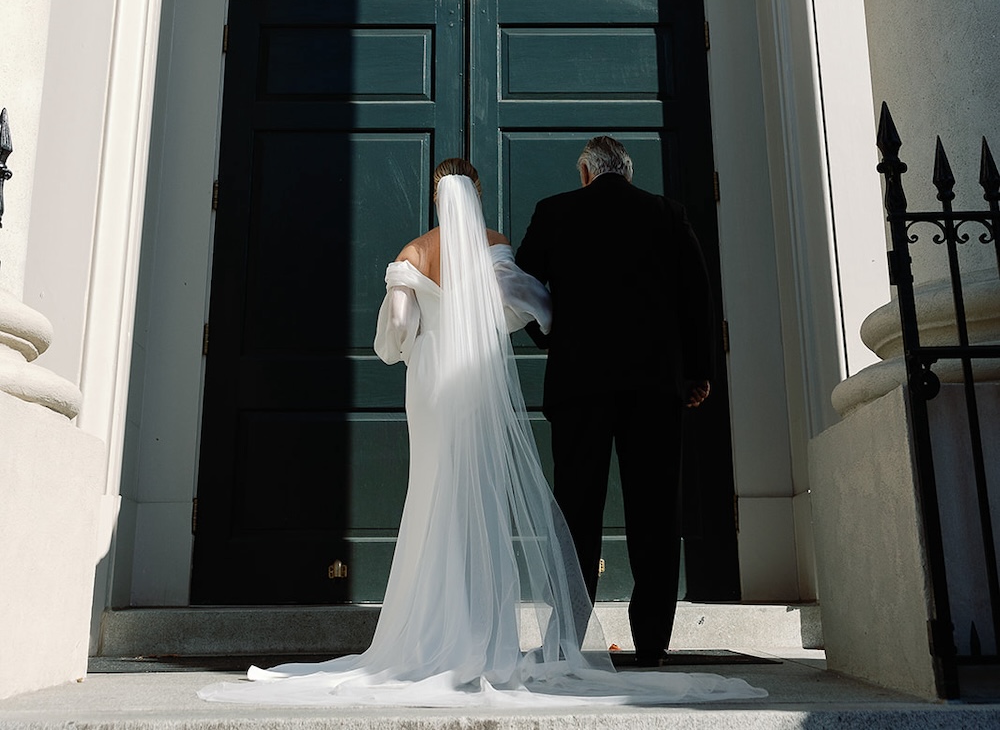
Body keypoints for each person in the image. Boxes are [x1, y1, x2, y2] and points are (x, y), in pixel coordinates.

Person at [199, 159, 761, 709]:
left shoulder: (416, 250)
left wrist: (402, 349)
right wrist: (566, 330)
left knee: (447, 495)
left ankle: (485, 631)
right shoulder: (518, 239)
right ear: (479, 192)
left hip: (438, 382)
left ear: (436, 196)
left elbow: (396, 328)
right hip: (526, 379)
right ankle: (622, 643)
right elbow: (535, 300)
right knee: (573, 502)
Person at [515, 135, 714, 666]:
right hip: (653, 387)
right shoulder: (667, 213)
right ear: (626, 172)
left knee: (576, 510)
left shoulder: (554, 211)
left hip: (579, 385)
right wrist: (696, 374)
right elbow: (697, 297)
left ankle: (566, 638)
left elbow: (524, 287)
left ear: (585, 172)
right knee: (654, 510)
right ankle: (651, 641)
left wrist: (553, 338)